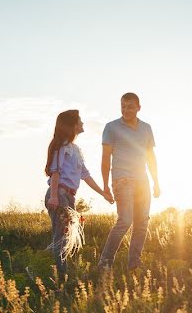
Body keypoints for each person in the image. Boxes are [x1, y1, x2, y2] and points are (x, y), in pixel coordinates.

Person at [44, 109, 113, 278]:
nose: (82, 122)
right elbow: (55, 173)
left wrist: (103, 193)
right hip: (59, 194)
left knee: (67, 237)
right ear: (72, 125)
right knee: (62, 237)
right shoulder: (61, 148)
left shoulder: (75, 149)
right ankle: (61, 276)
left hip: (68, 196)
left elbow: (85, 175)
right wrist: (53, 196)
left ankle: (63, 272)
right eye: (79, 120)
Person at [97, 92, 160, 272]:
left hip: (142, 181)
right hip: (122, 180)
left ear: (138, 107)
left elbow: (151, 156)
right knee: (125, 220)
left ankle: (134, 263)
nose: (126, 110)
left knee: (142, 223)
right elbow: (105, 157)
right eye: (123, 106)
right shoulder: (111, 127)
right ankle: (105, 262)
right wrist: (105, 186)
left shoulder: (146, 128)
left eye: (130, 106)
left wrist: (156, 181)